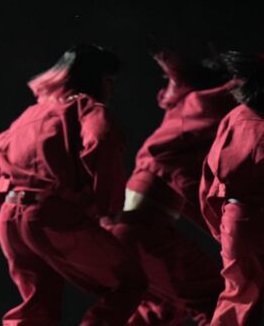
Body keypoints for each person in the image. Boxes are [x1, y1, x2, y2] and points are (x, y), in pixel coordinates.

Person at [0, 44, 147, 325]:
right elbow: (102, 140)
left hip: (10, 219)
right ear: (95, 80)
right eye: (108, 81)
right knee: (128, 283)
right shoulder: (85, 107)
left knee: (38, 306)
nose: (111, 90)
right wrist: (106, 207)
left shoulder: (30, 113)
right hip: (51, 215)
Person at [108, 42, 233, 324]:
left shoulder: (182, 115)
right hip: (142, 232)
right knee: (214, 302)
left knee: (158, 312)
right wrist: (227, 235)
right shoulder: (201, 112)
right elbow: (191, 191)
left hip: (125, 230)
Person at [200, 51, 264, 325]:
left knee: (240, 299)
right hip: (251, 218)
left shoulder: (237, 117)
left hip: (236, 218)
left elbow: (208, 188)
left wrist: (222, 230)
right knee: (243, 301)